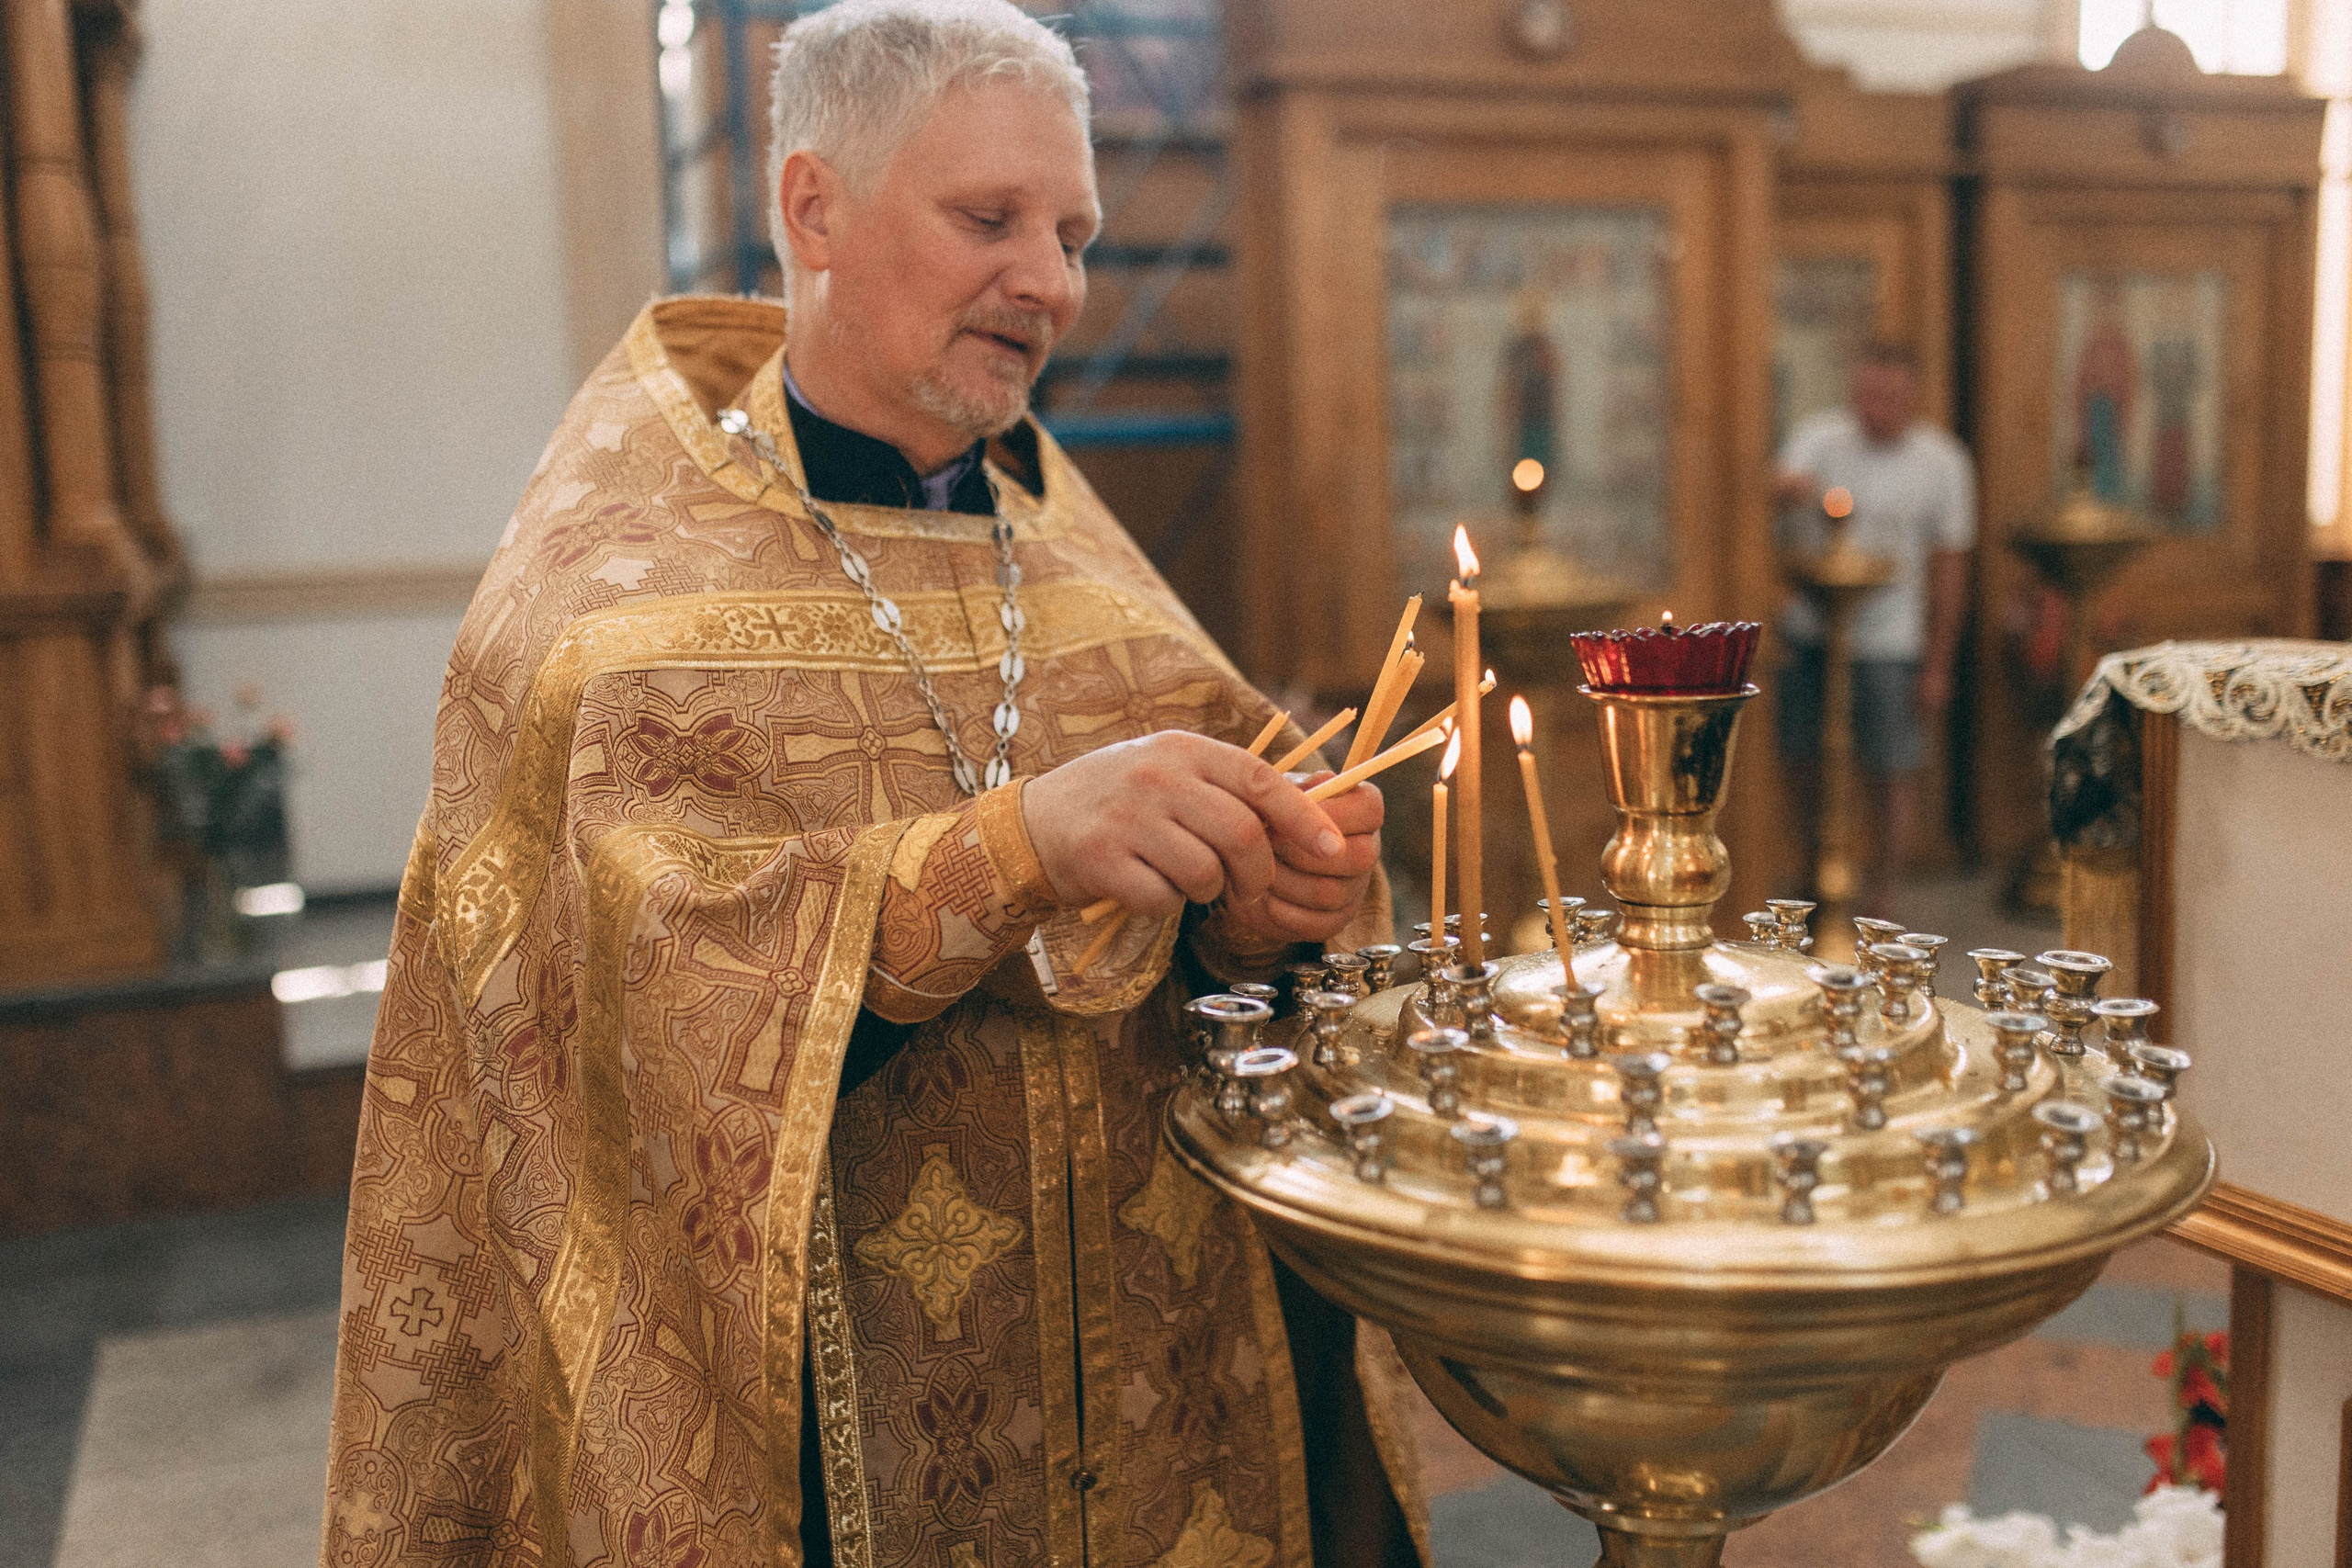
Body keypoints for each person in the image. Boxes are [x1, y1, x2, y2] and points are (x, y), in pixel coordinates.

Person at [317, 4, 1426, 1564]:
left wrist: (1271, 919)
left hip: (1158, 1415)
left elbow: (1229, 971)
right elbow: (623, 1036)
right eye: (991, 218)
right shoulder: (603, 610)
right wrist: (1017, 844)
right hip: (827, 1462)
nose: (1051, 280)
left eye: (1075, 231)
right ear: (813, 207)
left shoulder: (1088, 566)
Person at [1772, 342, 1973, 913]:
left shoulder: (1942, 463)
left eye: (1889, 395)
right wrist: (1785, 493)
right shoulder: (1822, 437)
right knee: (1802, 757)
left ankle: (1882, 896)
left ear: (1912, 396)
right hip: (1811, 631)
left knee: (1891, 766)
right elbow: (1779, 486)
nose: (1875, 406)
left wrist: (1937, 664)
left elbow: (1950, 567)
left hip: (1890, 640)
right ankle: (1811, 879)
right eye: (1866, 394)